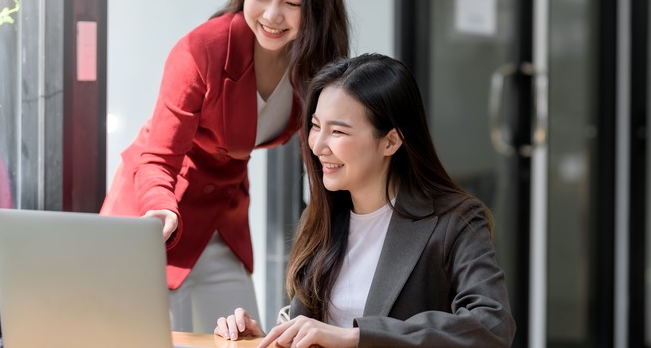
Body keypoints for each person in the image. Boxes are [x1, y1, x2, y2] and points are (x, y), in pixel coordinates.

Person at [100, 0, 349, 333]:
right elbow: (158, 156)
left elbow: (323, 159)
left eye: (292, 2)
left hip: (222, 220)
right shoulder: (203, 49)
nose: (272, 15)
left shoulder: (316, 65)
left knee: (245, 335)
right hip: (158, 215)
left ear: (318, 4)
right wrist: (160, 207)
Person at [215, 53, 516, 347]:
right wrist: (263, 337)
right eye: (316, 126)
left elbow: (491, 324)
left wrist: (357, 337)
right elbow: (315, 331)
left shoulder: (454, 221)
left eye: (337, 131)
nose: (318, 145)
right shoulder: (321, 216)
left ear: (391, 141)